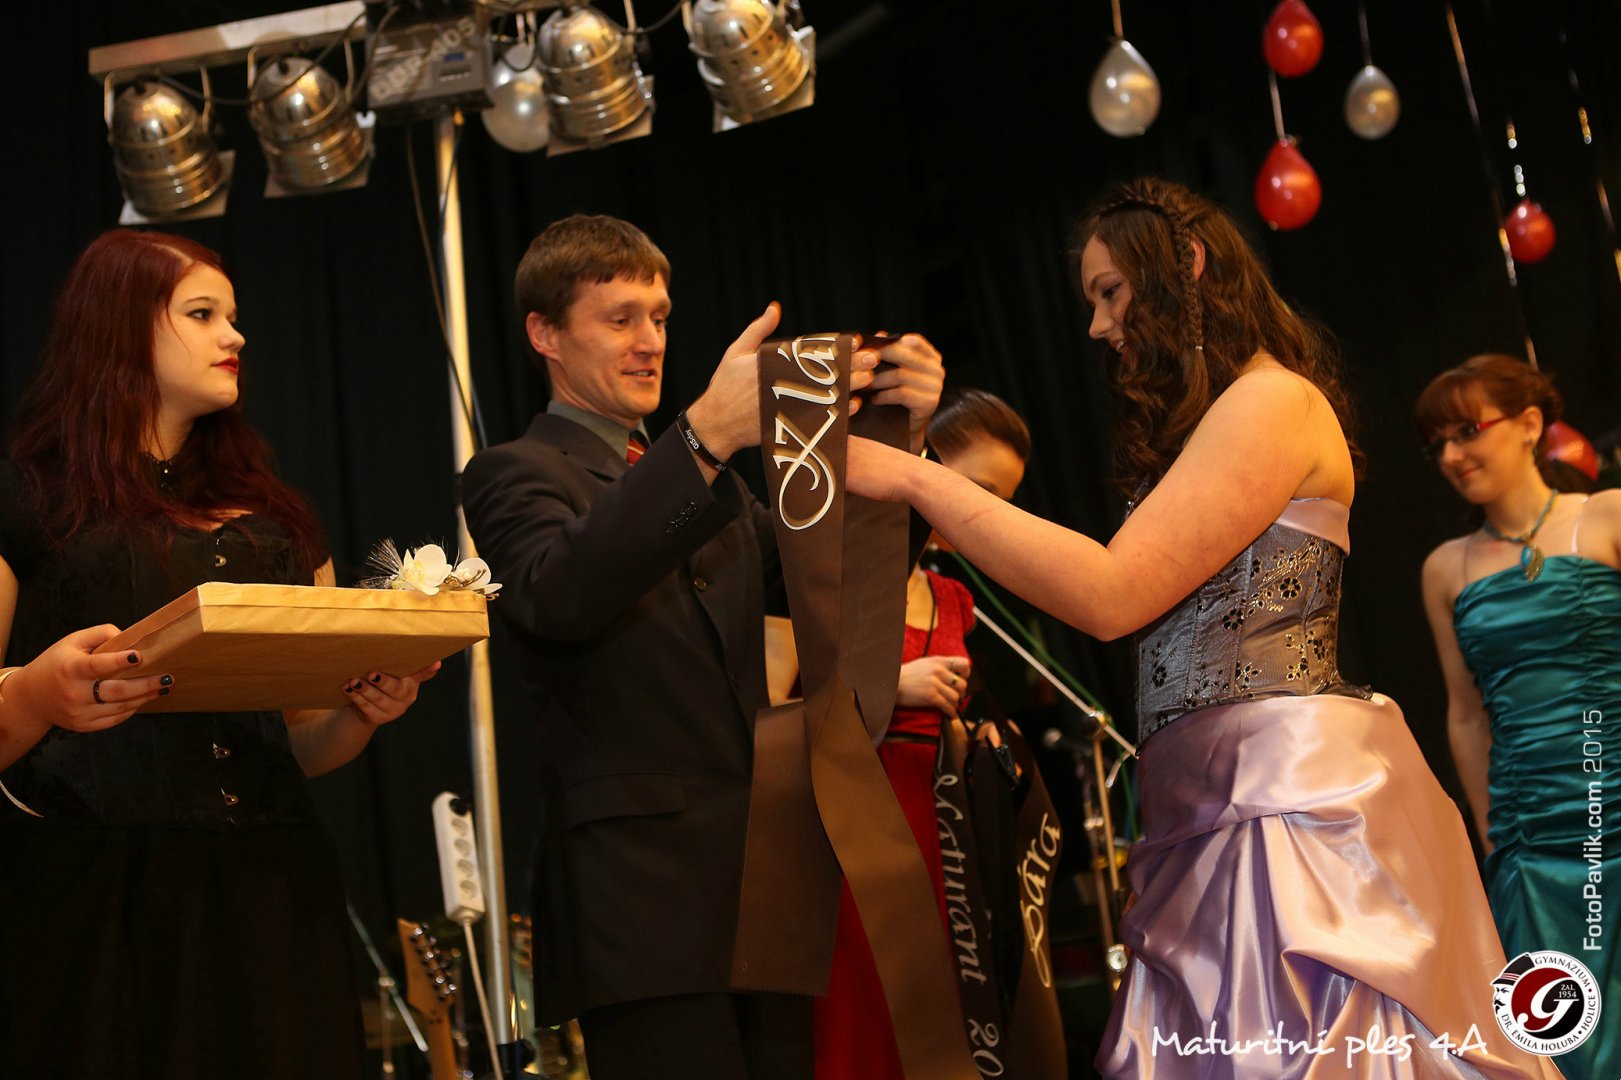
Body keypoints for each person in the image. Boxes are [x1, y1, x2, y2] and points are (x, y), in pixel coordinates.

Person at [845, 178, 1560, 1077]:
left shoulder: (1271, 402)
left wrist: (918, 478)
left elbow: (1110, 593)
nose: (1098, 326)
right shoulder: (1226, 418)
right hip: (1204, 804)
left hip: (1282, 804)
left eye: (1110, 292)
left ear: (1184, 262)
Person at [459, 214, 945, 1080]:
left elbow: (828, 588)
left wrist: (900, 439)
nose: (649, 341)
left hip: (763, 884)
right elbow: (555, 593)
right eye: (619, 319)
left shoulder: (700, 480)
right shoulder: (514, 471)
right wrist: (703, 439)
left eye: (659, 317)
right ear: (545, 335)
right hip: (640, 901)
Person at [0, 229, 439, 1078]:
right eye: (202, 314)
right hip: (90, 899)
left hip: (269, 889)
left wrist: (360, 711)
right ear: (119, 325)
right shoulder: (24, 499)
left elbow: (301, 741)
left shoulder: (278, 520)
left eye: (232, 317)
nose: (234, 336)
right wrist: (35, 697)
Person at [814, 388, 1031, 1079]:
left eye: (1001, 502)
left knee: (943, 1008)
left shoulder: (954, 598)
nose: (982, 514)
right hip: (857, 824)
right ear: (925, 464)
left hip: (943, 828)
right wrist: (893, 688)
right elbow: (780, 706)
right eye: (977, 490)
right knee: (865, 1010)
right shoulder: (834, 571)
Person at [1417, 354, 1618, 1080]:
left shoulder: (1607, 515)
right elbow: (1465, 715)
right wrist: (1491, 835)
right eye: (1437, 443)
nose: (1451, 455)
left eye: (1467, 431)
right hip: (1531, 844)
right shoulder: (1446, 568)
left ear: (1530, 425)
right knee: (1560, 1040)